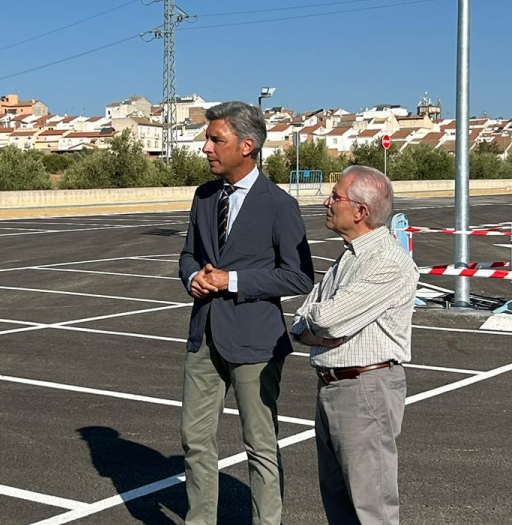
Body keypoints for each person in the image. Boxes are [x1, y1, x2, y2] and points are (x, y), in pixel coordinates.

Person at [178, 101, 315, 525]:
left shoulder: (278, 205)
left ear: (248, 145)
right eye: (207, 138)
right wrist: (193, 278)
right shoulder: (204, 197)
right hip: (205, 338)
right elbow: (188, 255)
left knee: (260, 445)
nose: (205, 148)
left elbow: (298, 277)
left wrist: (230, 281)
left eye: (216, 139)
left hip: (256, 342)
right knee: (194, 440)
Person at [290, 165, 419, 525]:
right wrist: (321, 326)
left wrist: (321, 324)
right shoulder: (348, 256)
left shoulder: (388, 261)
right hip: (333, 385)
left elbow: (327, 319)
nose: (327, 202)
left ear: (360, 211)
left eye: (335, 197)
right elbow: (304, 320)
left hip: (365, 389)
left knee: (370, 506)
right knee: (338, 501)